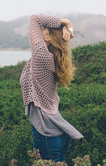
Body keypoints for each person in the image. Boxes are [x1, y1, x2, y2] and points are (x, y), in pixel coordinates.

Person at [20, 13, 84, 164]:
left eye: (44, 29)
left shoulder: (41, 56)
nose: (39, 30)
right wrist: (68, 29)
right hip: (56, 133)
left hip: (46, 134)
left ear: (48, 38)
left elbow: (34, 18)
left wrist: (66, 21)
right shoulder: (51, 57)